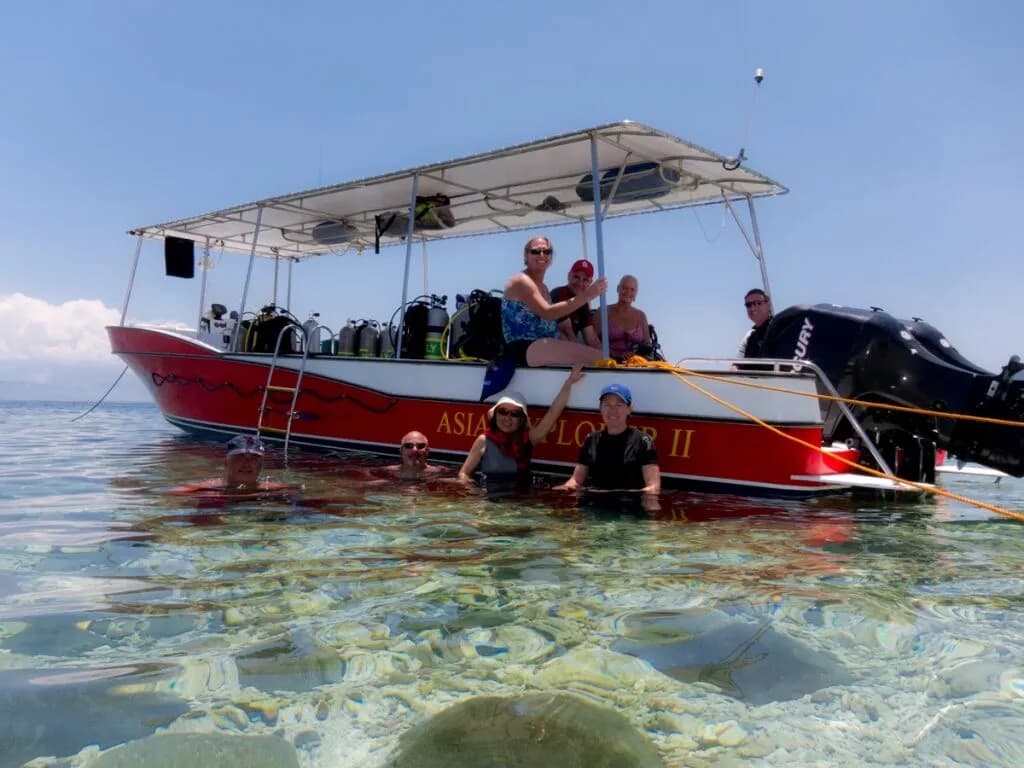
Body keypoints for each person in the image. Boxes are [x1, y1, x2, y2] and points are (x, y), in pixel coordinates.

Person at [458, 365, 585, 482]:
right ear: (495, 414)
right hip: (488, 494)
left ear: (521, 420)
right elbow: (463, 474)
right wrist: (474, 493)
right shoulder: (484, 440)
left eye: (514, 414)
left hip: (518, 495)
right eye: (503, 412)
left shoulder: (529, 438)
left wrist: (568, 383)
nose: (507, 418)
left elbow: (553, 413)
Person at [501, 236, 607, 367]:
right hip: (523, 348)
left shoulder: (544, 288)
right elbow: (548, 313)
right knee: (599, 359)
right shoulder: (521, 281)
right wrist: (588, 295)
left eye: (547, 251)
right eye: (535, 251)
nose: (542, 255)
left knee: (598, 358)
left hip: (541, 346)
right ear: (526, 255)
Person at [556, 383, 660, 495]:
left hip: (628, 503)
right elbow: (576, 481)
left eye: (619, 405)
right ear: (600, 408)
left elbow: (653, 487)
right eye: (607, 405)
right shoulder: (591, 439)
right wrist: (564, 488)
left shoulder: (643, 441)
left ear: (629, 409)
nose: (612, 410)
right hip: (593, 502)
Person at [168, 435, 291, 495]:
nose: (246, 463)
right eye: (239, 457)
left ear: (260, 465)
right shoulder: (207, 489)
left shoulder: (277, 490)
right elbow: (172, 494)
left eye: (254, 459)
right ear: (226, 462)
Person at [550, 258, 600, 349]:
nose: (580, 283)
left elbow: (591, 338)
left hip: (569, 348)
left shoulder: (584, 304)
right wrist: (581, 355)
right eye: (576, 277)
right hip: (550, 346)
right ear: (569, 276)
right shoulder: (559, 294)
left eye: (585, 280)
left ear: (590, 283)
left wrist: (605, 355)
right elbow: (567, 331)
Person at [601, 275, 651, 362]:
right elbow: (592, 341)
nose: (628, 292)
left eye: (632, 290)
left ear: (636, 293)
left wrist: (635, 354)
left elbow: (647, 345)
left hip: (636, 364)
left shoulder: (641, 316)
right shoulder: (603, 312)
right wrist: (614, 353)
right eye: (625, 288)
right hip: (607, 363)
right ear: (618, 289)